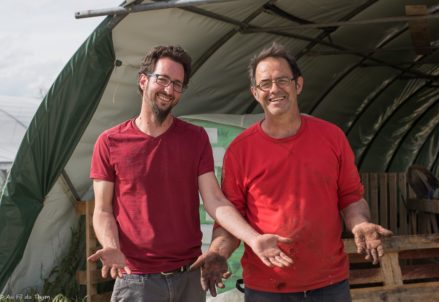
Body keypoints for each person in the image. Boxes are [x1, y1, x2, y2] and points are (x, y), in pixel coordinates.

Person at [87, 45, 294, 302]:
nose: (169, 90)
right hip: (136, 280)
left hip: (189, 278)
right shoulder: (110, 142)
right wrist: (111, 246)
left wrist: (254, 239)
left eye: (177, 84)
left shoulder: (195, 138)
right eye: (162, 79)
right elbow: (103, 209)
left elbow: (215, 201)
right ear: (143, 80)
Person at [195, 42, 393, 301]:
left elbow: (351, 198)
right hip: (267, 287)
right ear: (255, 92)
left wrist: (361, 223)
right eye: (265, 83)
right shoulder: (240, 150)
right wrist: (218, 252)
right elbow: (231, 219)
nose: (274, 89)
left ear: (298, 84)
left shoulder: (331, 137)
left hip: (329, 284)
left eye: (282, 80)